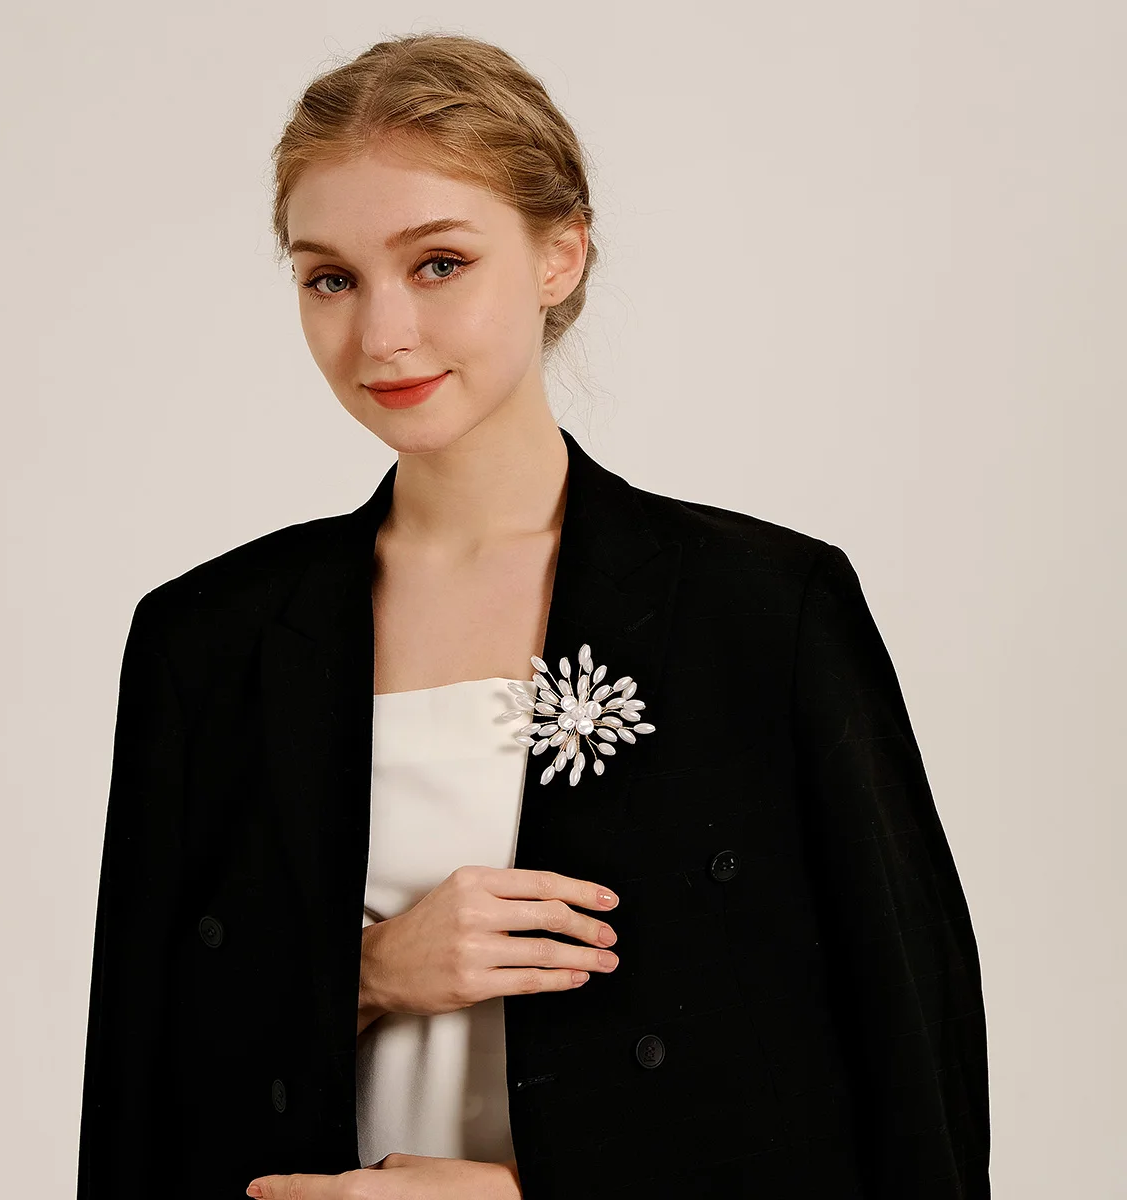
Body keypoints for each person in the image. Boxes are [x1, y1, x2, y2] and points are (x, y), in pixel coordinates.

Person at [76, 31, 990, 1200]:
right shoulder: (205, 639)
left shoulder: (765, 613)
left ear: (561, 254)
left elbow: (908, 1096)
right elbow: (138, 1094)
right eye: (330, 278)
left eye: (439, 263)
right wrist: (366, 973)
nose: (382, 334)